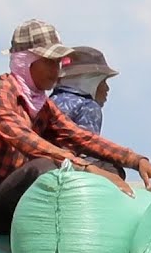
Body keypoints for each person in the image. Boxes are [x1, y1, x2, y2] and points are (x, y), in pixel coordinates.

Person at [0, 20, 151, 234]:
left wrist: (135, 160)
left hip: (11, 192)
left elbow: (80, 137)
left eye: (58, 62)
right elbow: (26, 140)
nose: (56, 70)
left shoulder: (42, 104)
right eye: (49, 62)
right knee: (44, 168)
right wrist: (86, 168)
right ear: (26, 62)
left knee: (109, 167)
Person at [51, 46, 126, 178]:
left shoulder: (50, 101)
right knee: (113, 167)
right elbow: (89, 149)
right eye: (103, 81)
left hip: (47, 163)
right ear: (90, 81)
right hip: (71, 168)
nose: (107, 88)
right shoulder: (89, 107)